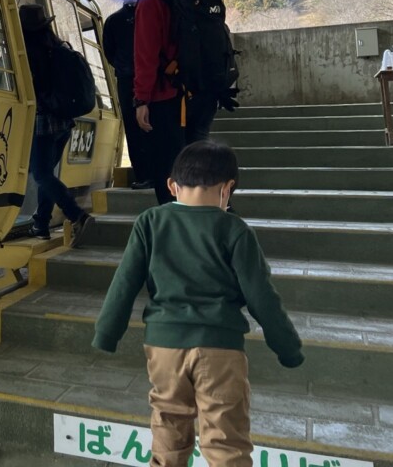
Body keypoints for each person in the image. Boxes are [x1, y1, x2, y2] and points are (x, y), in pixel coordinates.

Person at [92, 141, 304, 467]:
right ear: (228, 189)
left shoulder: (150, 222)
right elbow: (262, 297)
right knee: (225, 443)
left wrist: (107, 333)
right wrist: (287, 347)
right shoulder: (235, 230)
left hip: (163, 347)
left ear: (172, 186)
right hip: (220, 349)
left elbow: (124, 283)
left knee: (168, 428)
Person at [127, 0, 218, 204]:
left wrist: (141, 100)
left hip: (167, 101)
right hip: (201, 95)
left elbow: (145, 57)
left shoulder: (150, 3)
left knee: (168, 171)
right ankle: (215, 219)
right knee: (198, 167)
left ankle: (177, 230)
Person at [19, 4, 95, 245]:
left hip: (44, 121)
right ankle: (41, 223)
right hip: (63, 121)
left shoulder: (30, 52)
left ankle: (77, 215)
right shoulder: (59, 48)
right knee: (47, 174)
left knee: (41, 174)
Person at [103, 0, 153, 190]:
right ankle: (145, 174)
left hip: (142, 79)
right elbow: (109, 52)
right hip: (129, 80)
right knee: (134, 129)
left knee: (148, 126)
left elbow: (110, 53)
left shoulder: (150, 14)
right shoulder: (114, 21)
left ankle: (151, 174)